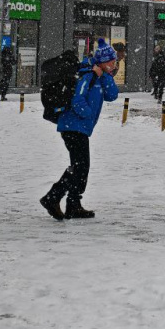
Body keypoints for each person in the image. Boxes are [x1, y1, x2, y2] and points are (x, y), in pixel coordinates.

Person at [39, 38, 119, 221]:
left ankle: (71, 203)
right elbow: (77, 100)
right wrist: (88, 114)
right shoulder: (87, 75)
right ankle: (54, 198)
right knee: (80, 166)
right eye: (112, 62)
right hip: (72, 126)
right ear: (103, 61)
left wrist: (105, 75)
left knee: (81, 167)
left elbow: (112, 95)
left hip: (78, 127)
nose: (115, 65)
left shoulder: (98, 76)